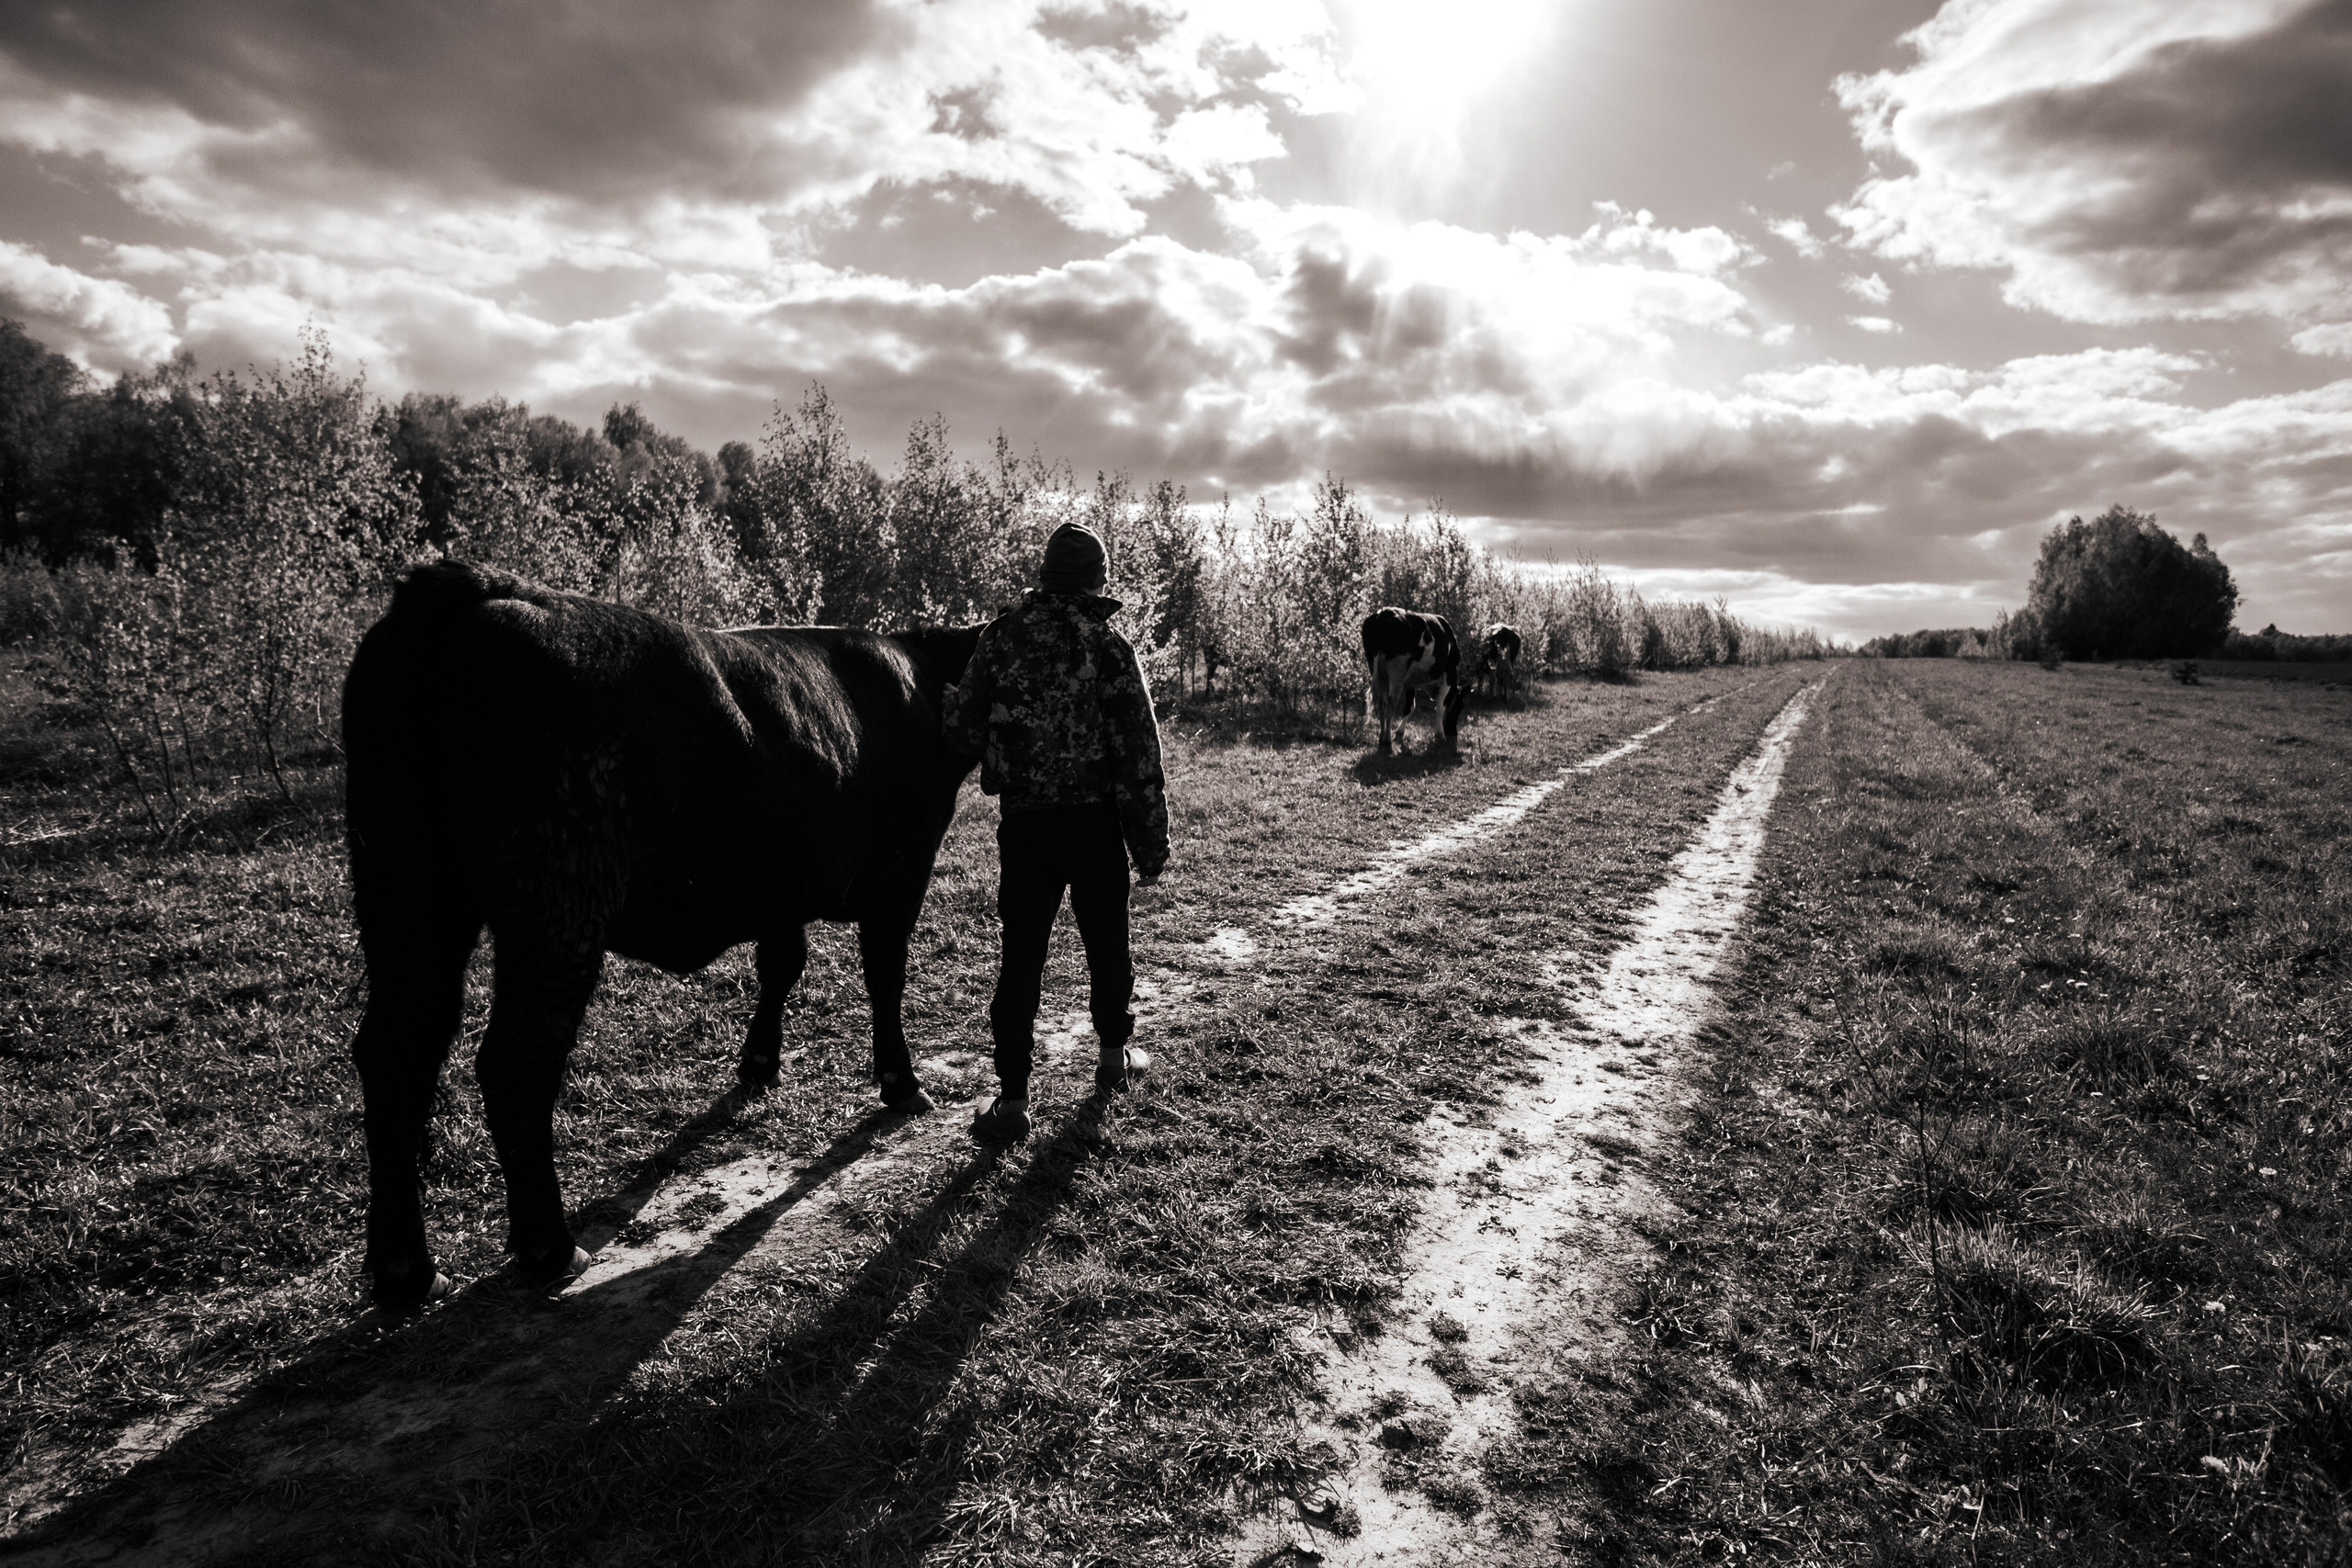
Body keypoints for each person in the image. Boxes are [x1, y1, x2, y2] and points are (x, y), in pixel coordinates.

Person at [944, 521, 1170, 1142]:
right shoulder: (1108, 646)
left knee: (1021, 957)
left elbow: (961, 729)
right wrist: (1150, 845)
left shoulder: (1001, 637)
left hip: (1026, 824)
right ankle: (1111, 1060)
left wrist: (951, 704)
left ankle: (1013, 1099)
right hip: (1095, 823)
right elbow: (1138, 756)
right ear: (1097, 578)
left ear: (1045, 573)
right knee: (1107, 944)